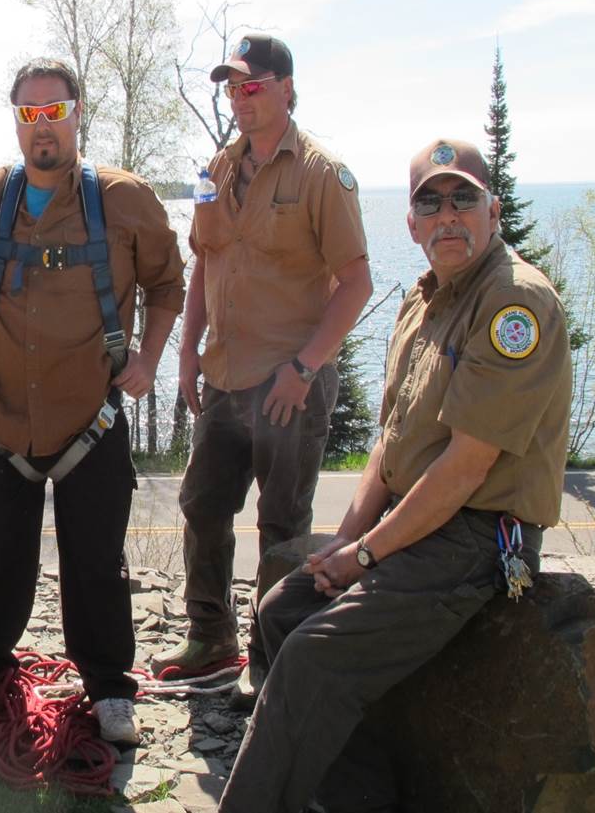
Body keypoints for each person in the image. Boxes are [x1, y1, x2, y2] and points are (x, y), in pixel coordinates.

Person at [218, 138, 573, 813]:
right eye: (430, 201)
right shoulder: (424, 301)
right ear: (410, 223)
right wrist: (342, 542)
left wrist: (368, 553)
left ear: (493, 209)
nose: (447, 214)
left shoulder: (512, 305)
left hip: (476, 539)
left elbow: (466, 468)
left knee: (313, 658)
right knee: (284, 610)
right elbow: (390, 441)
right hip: (415, 525)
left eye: (463, 197)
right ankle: (355, 797)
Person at [0, 58, 185, 745]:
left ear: (77, 113)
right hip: (7, 420)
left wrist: (149, 356)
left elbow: (167, 283)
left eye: (54, 110)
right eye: (29, 113)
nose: (43, 126)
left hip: (91, 424)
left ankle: (108, 687)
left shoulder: (126, 201)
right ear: (15, 121)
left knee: (96, 563)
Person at [160, 33, 373, 694]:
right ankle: (212, 635)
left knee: (282, 522)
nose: (240, 99)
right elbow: (204, 263)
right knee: (201, 504)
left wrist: (305, 368)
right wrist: (190, 351)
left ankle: (271, 654)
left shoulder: (320, 173)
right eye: (232, 88)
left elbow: (356, 281)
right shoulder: (217, 170)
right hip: (225, 378)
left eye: (253, 86)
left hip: (287, 385)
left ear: (286, 88)